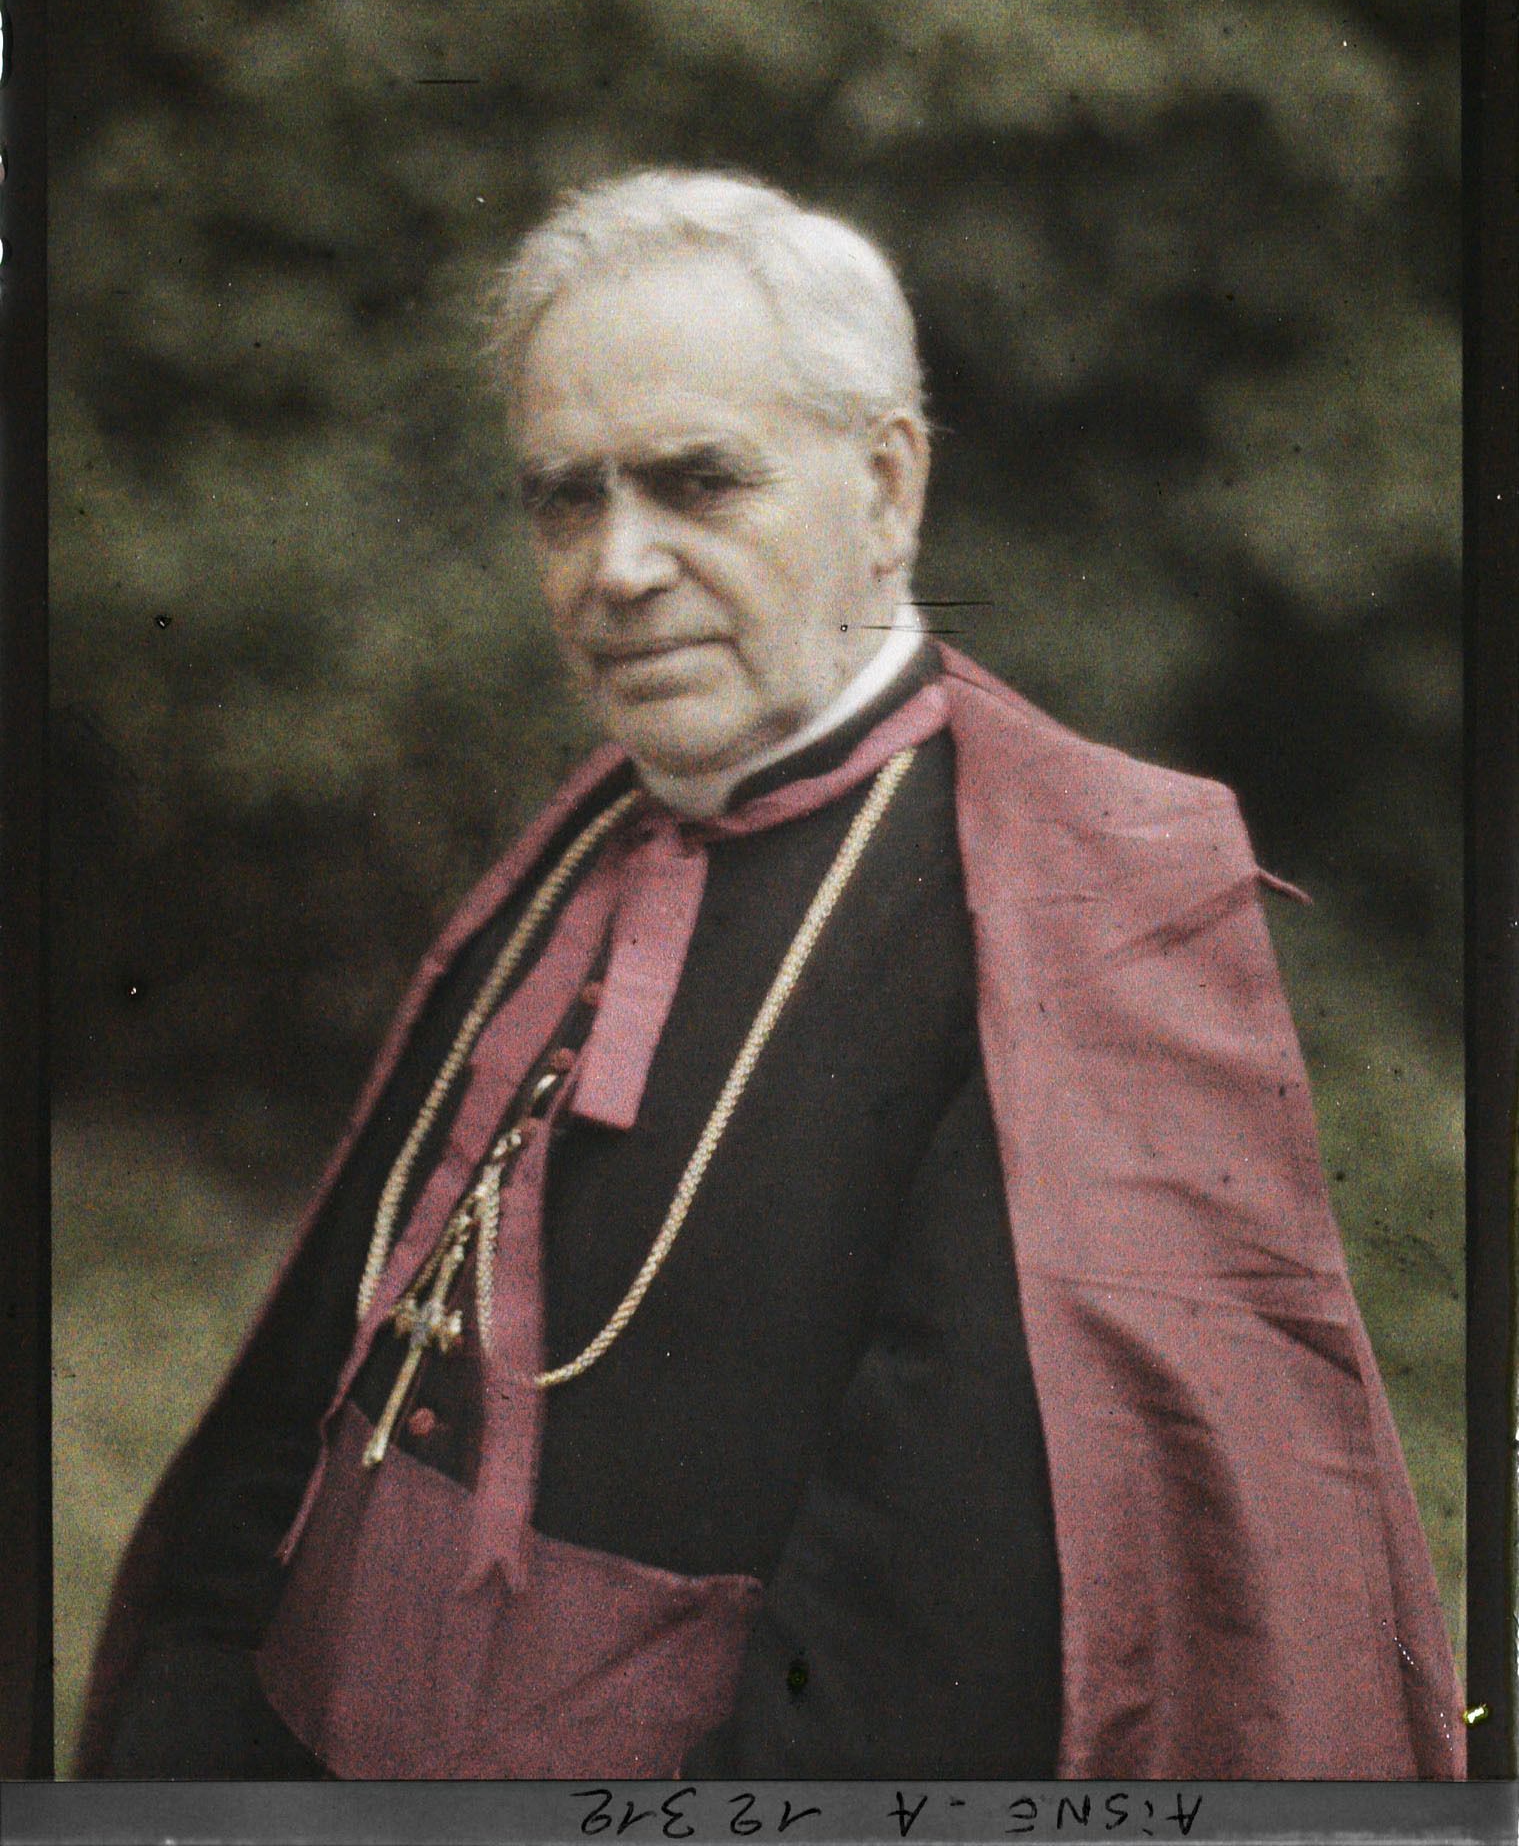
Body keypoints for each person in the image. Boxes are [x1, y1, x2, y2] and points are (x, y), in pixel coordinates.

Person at [80, 170, 1464, 1783]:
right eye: (563, 498)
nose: (617, 567)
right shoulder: (578, 853)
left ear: (886, 489)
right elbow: (297, 1433)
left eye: (696, 484)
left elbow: (939, 1639)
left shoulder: (1076, 914)